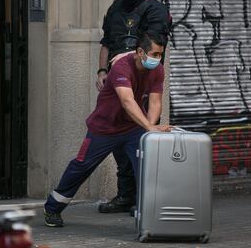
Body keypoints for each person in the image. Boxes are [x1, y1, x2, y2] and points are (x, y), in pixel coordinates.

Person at [44, 32, 171, 227]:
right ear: (140, 52)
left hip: (133, 128)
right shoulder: (122, 67)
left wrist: (149, 131)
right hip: (104, 128)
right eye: (154, 54)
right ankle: (52, 208)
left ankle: (151, 217)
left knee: (147, 169)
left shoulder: (157, 70)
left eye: (160, 55)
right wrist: (149, 126)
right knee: (81, 166)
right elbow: (127, 101)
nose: (157, 59)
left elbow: (155, 102)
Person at [96, 0, 171, 213]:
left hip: (145, 85)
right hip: (119, 86)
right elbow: (106, 43)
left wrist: (126, 57)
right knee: (120, 145)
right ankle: (126, 196)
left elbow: (154, 45)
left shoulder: (155, 10)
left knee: (143, 142)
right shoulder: (114, 8)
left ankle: (145, 198)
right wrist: (102, 72)